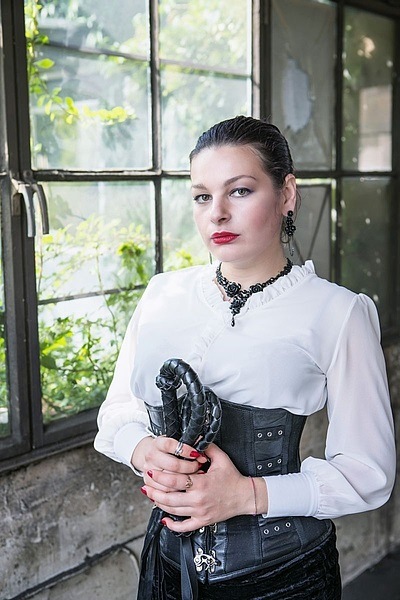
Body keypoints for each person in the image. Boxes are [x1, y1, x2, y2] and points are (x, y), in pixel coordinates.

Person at [94, 116, 396, 600]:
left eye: (239, 191)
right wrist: (142, 450)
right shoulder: (162, 294)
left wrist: (246, 495)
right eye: (201, 196)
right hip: (167, 568)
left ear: (287, 193)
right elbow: (118, 411)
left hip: (284, 578)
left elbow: (369, 473)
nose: (216, 213)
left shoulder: (338, 312)